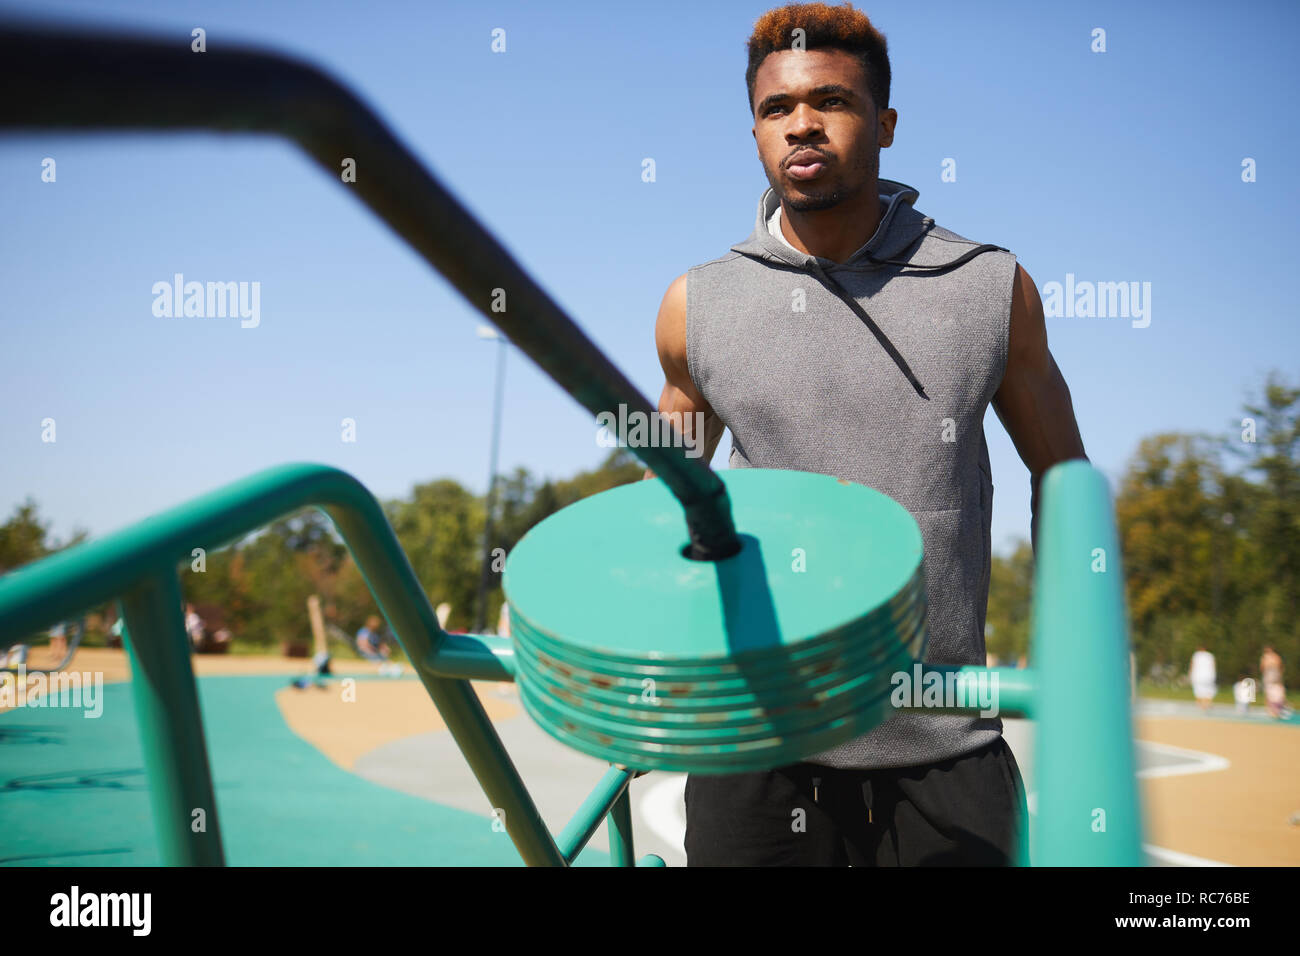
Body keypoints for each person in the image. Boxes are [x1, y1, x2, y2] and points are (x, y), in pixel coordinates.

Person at [648, 2, 1086, 866]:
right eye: (777, 109)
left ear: (884, 123)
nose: (801, 123)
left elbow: (1064, 480)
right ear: (756, 131)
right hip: (758, 747)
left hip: (945, 745)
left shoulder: (989, 287)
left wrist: (1072, 647)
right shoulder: (697, 305)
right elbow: (669, 513)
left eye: (832, 101)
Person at [1260, 646, 1289, 719]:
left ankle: (1271, 710)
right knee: (1278, 690)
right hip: (1276, 674)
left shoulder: (1266, 657)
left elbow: (1262, 667)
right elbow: (1281, 666)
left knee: (1269, 692)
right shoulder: (1276, 657)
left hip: (1270, 674)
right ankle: (1280, 708)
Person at [1189, 646, 1216, 711]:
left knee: (1198, 690)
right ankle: (1207, 703)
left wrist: (1190, 673)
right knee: (1208, 690)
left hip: (1198, 675)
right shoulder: (1210, 655)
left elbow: (1192, 664)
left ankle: (1201, 705)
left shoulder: (1196, 655)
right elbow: (1213, 665)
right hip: (1209, 675)